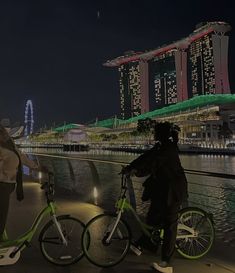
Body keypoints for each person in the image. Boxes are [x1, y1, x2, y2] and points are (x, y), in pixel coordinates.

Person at [122, 121, 188, 273]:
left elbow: (153, 164)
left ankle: (167, 263)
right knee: (152, 217)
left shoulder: (169, 148)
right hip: (162, 189)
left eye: (156, 132)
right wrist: (130, 166)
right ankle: (148, 244)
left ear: (162, 134)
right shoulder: (160, 146)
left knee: (170, 225)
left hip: (173, 190)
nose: (154, 134)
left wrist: (136, 172)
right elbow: (146, 157)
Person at [0, 124, 41, 240]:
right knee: (1, 220)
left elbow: (21, 156)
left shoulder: (10, 144)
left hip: (8, 185)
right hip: (1, 186)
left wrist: (36, 167)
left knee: (2, 217)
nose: (3, 133)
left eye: (2, 131)